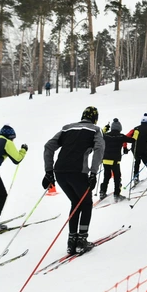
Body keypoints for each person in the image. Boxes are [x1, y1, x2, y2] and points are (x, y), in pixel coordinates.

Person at [43, 106, 104, 255]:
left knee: (76, 203)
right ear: (95, 118)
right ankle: (81, 241)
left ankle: (72, 241)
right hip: (78, 172)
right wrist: (93, 173)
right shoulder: (95, 129)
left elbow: (48, 147)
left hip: (60, 172)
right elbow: (99, 149)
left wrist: (48, 171)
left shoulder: (67, 128)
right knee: (86, 203)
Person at [99, 118, 135, 201]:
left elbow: (100, 134)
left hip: (105, 160)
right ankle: (116, 194)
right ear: (120, 128)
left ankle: (102, 192)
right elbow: (132, 140)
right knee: (117, 177)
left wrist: (105, 128)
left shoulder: (106, 135)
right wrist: (135, 134)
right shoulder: (121, 136)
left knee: (106, 176)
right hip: (115, 160)